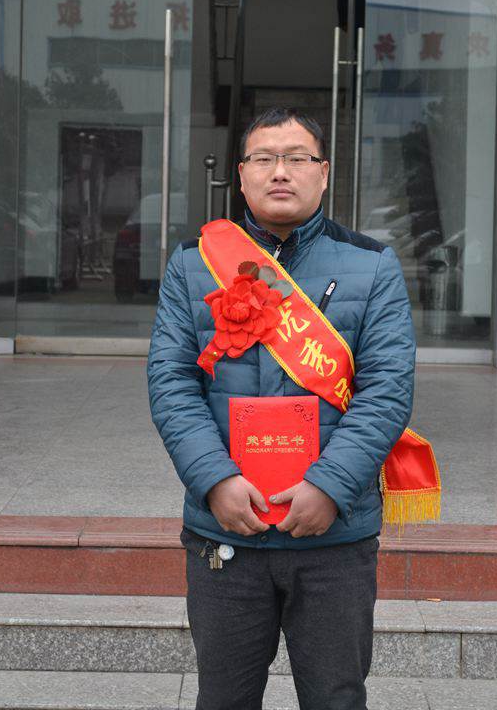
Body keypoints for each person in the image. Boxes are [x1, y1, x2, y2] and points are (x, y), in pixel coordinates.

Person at [147, 107, 416, 710]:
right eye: (264, 158)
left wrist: (330, 487)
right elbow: (171, 382)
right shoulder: (193, 264)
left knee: (336, 697)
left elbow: (387, 389)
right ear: (241, 175)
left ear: (324, 173)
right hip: (225, 530)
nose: (280, 172)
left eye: (297, 158)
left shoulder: (372, 265)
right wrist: (214, 480)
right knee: (224, 698)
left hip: (335, 537)